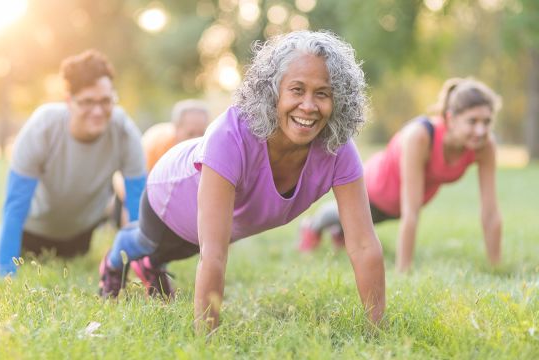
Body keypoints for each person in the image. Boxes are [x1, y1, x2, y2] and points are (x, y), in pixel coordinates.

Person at [99, 30, 385, 330]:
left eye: (322, 93)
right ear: (273, 91)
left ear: (338, 99)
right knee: (149, 242)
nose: (309, 106)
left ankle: (151, 265)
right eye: (297, 90)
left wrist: (377, 330)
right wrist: (206, 340)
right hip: (168, 194)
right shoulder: (231, 135)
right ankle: (115, 259)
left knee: (181, 249)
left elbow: (364, 244)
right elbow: (215, 255)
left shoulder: (337, 148)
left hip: (212, 230)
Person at [298, 77, 502, 273]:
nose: (481, 130)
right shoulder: (420, 135)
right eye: (472, 121)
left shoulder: (484, 146)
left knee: (355, 224)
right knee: (338, 214)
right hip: (375, 189)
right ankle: (311, 226)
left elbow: (490, 212)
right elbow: (411, 211)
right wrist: (403, 270)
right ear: (450, 118)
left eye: (487, 121)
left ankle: (340, 233)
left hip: (400, 206)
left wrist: (495, 265)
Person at [0, 49, 146, 277]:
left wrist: (146, 272)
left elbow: (138, 210)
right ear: (69, 101)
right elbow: (15, 206)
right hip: (32, 234)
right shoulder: (42, 127)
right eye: (87, 102)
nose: (97, 111)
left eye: (106, 101)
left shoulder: (124, 131)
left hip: (79, 238)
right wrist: (6, 271)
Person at [110, 99, 210, 228]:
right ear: (176, 129)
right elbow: (135, 189)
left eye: (202, 133)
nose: (197, 139)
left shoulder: (206, 148)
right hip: (130, 188)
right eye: (190, 133)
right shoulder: (156, 145)